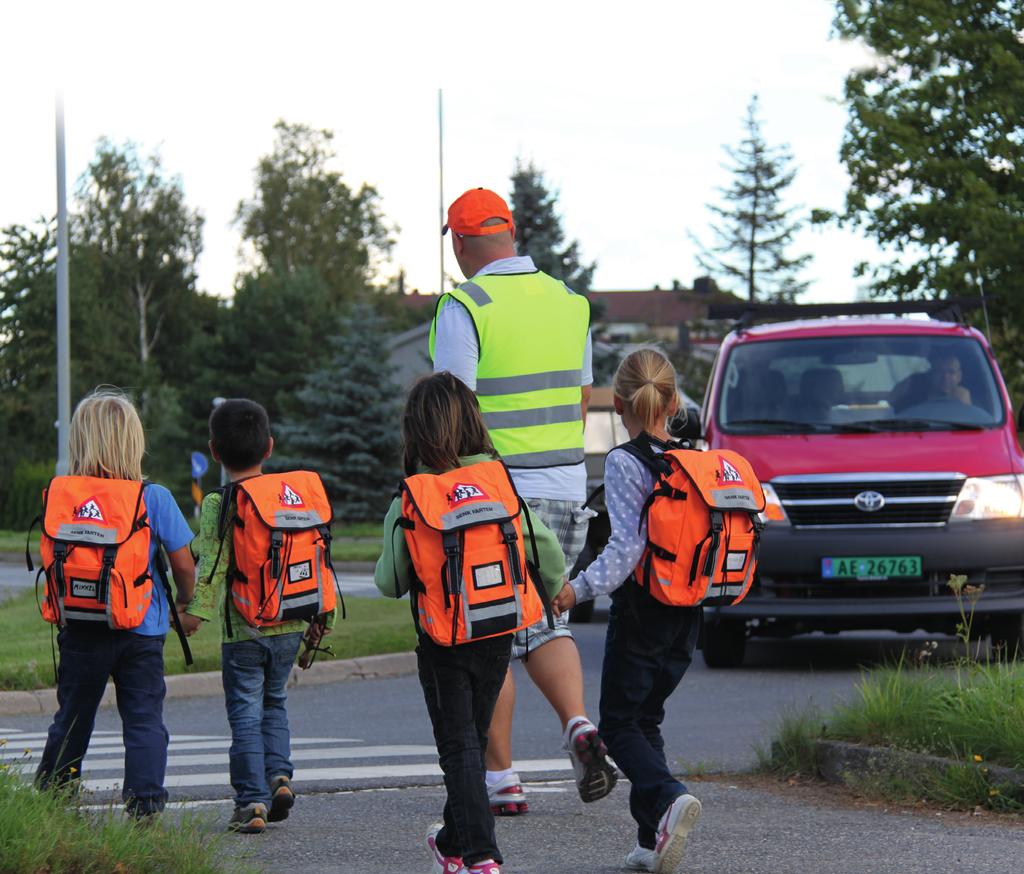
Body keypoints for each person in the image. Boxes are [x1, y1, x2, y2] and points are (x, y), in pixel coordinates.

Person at [431, 187, 616, 815]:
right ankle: (578, 728)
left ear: (459, 242)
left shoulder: (465, 304)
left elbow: (451, 410)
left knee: (486, 635)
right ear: (509, 234)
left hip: (493, 496)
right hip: (564, 487)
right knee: (546, 624)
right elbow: (583, 396)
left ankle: (503, 782)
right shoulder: (571, 303)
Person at [374, 372, 567, 874]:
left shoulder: (415, 493)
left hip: (443, 639)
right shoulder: (498, 482)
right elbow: (544, 552)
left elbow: (389, 580)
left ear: (415, 431)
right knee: (472, 742)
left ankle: (482, 856)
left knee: (458, 748)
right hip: (499, 629)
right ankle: (453, 841)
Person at [553, 349, 703, 874]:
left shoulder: (624, 461)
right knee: (646, 718)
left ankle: (668, 797)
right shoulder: (693, 458)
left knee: (618, 724)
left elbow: (625, 550)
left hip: (643, 610)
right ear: (674, 400)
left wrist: (577, 588)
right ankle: (650, 839)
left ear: (618, 404)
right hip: (688, 613)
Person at [35, 388, 195, 819]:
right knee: (143, 718)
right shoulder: (153, 498)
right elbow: (184, 564)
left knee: (72, 715)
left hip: (81, 627)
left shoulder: (59, 496)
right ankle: (144, 807)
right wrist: (184, 604)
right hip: (142, 629)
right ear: (133, 442)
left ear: (79, 441)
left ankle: (53, 798)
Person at [179, 398, 335, 834]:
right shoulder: (295, 499)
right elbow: (321, 561)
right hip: (292, 624)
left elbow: (212, 565)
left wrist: (195, 614)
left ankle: (251, 802)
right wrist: (323, 622)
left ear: (214, 451)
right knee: (276, 702)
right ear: (269, 447)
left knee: (246, 711)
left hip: (244, 631)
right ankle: (279, 775)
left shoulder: (220, 502)